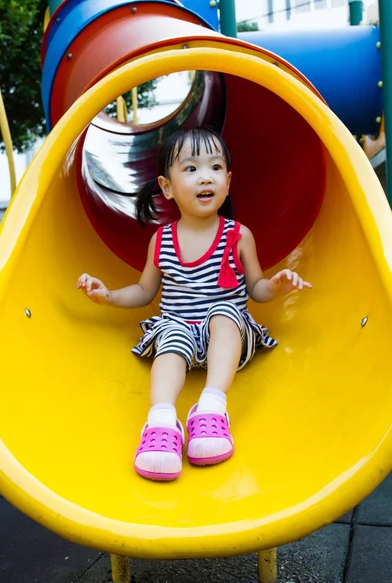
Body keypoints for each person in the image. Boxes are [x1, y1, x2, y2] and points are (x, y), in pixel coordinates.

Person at [77, 127, 311, 482]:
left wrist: (277, 285)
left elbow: (256, 290)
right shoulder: (162, 240)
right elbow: (144, 291)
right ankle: (161, 422)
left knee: (224, 313)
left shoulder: (238, 235)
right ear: (167, 186)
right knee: (170, 332)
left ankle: (211, 408)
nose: (206, 177)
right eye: (190, 169)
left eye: (215, 168)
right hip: (180, 330)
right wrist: (106, 295)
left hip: (228, 337)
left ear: (228, 181)